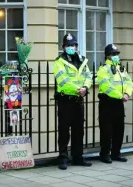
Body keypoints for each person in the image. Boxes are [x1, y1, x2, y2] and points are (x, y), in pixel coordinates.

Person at [53, 33, 92, 170]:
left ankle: (78, 157)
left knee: (78, 130)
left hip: (78, 100)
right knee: (64, 131)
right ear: (63, 47)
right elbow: (63, 81)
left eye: (73, 45)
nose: (71, 47)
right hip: (66, 100)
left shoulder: (82, 60)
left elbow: (88, 76)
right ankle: (63, 158)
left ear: (76, 46)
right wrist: (78, 89)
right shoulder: (59, 62)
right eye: (68, 45)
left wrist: (85, 88)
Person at [97, 44, 133, 163]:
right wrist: (120, 96)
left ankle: (116, 153)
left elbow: (129, 82)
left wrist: (127, 94)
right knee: (107, 130)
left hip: (119, 103)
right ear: (108, 56)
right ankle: (105, 154)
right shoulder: (103, 69)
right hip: (107, 103)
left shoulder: (121, 68)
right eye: (113, 54)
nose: (116, 56)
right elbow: (106, 86)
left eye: (117, 54)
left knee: (119, 129)